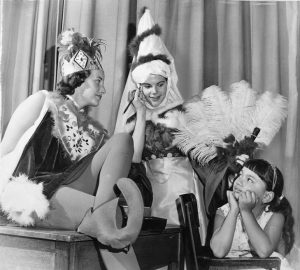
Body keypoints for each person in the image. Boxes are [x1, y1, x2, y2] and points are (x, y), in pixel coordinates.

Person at [0, 29, 144, 269]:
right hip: (36, 193)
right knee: (116, 216)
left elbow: (132, 160)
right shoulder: (42, 101)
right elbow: (4, 150)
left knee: (121, 141)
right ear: (78, 77)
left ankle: (103, 217)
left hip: (68, 186)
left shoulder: (94, 132)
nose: (104, 89)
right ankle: (106, 218)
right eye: (98, 80)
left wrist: (141, 116)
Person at [115, 8, 208, 242]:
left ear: (169, 80)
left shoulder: (185, 113)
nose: (154, 91)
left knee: (185, 245)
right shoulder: (132, 119)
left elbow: (204, 154)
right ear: (138, 87)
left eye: (159, 84)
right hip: (150, 196)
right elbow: (132, 159)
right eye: (147, 86)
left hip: (182, 190)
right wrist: (141, 115)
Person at [210, 159, 294, 270]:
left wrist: (246, 212)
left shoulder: (274, 216)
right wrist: (234, 211)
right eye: (240, 175)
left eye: (249, 179)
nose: (239, 181)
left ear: (266, 196)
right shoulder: (224, 212)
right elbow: (218, 251)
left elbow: (264, 251)